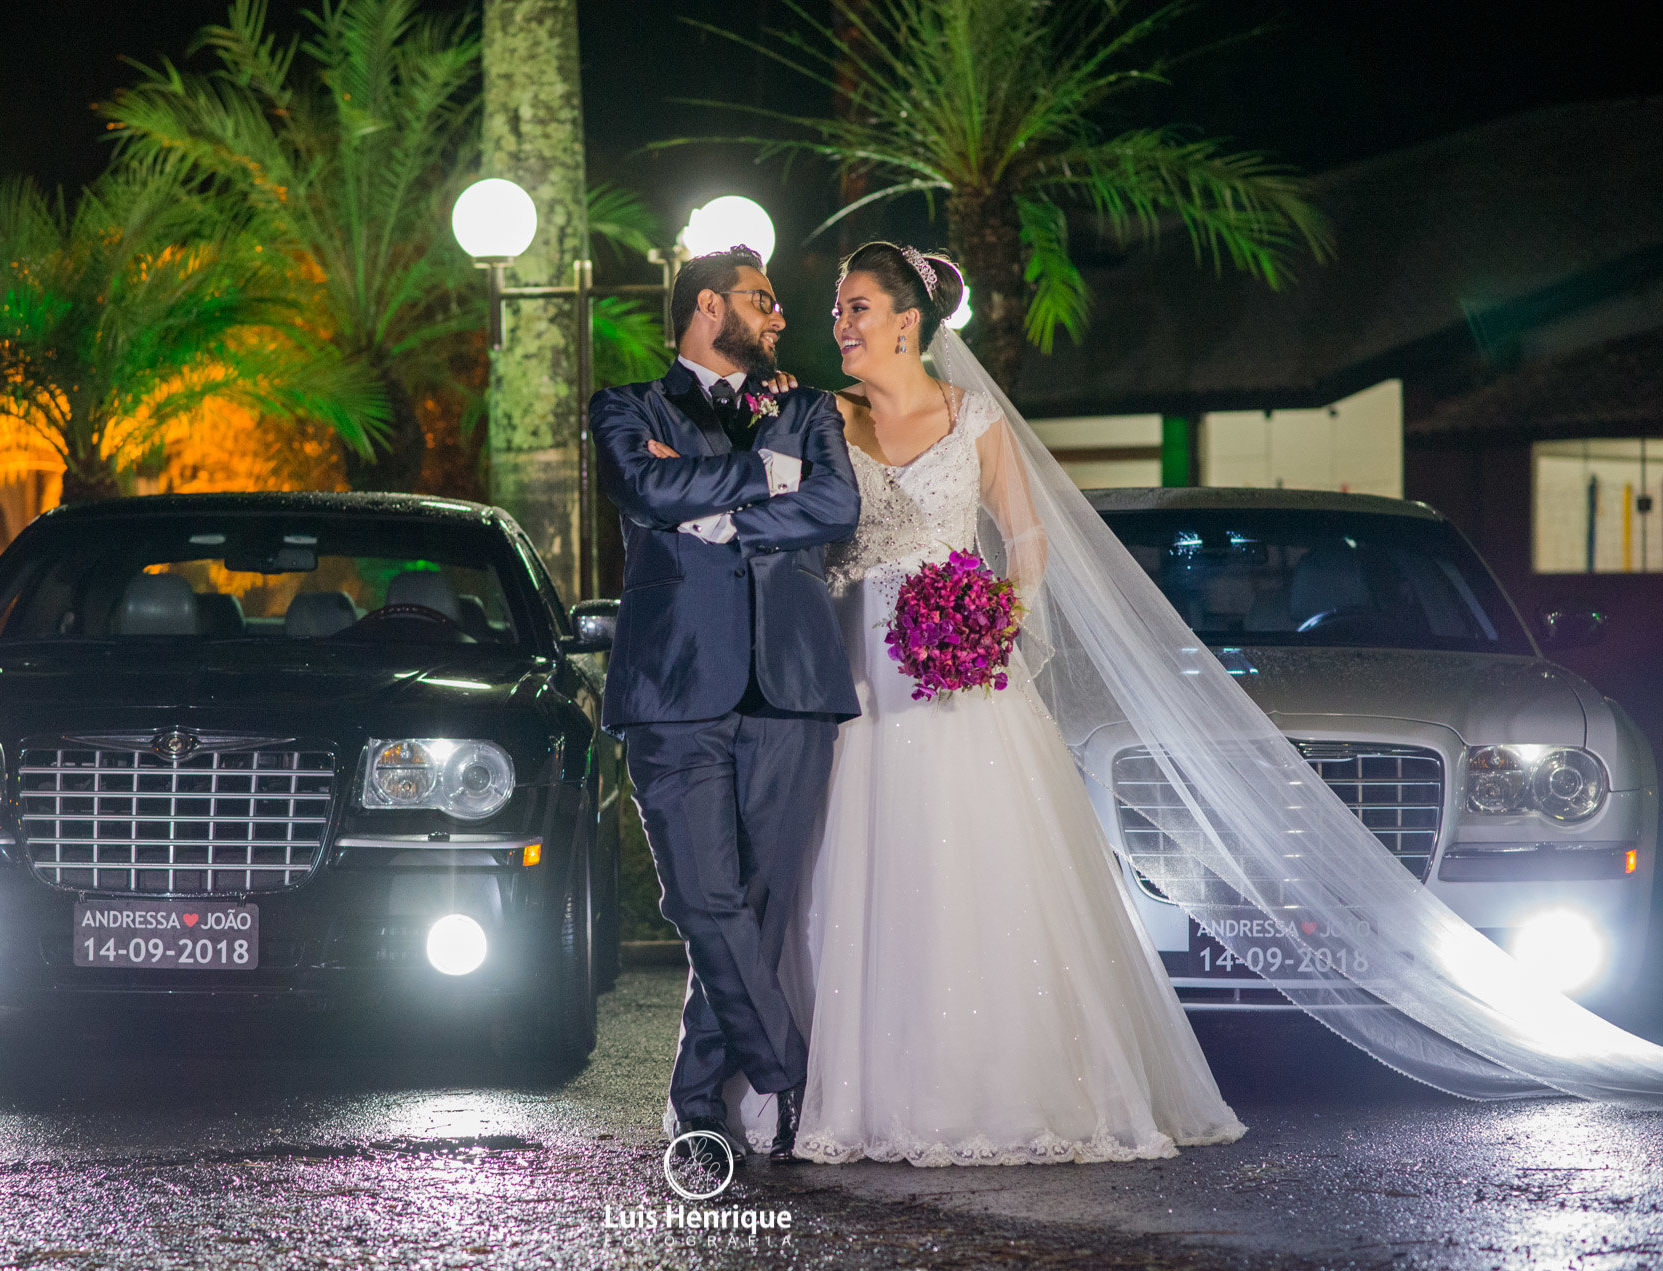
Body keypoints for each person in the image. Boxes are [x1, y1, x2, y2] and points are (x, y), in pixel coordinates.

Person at [733, 241, 1663, 1165]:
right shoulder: (824, 419)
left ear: (908, 320)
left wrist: (995, 622)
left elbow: (1026, 537)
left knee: (969, 878)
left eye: (856, 307)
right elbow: (784, 521)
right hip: (859, 668)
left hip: (964, 674)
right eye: (836, 313)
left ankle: (978, 1087)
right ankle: (837, 1089)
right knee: (854, 868)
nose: (840, 325)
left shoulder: (976, 419)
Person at [589, 246, 862, 1174]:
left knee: (761, 903)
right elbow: (647, 487)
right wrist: (767, 479)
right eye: (762, 298)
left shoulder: (809, 407)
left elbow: (836, 504)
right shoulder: (627, 408)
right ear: (709, 306)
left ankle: (698, 1098)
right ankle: (787, 1069)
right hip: (674, 690)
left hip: (793, 687)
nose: (779, 315)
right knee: (700, 897)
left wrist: (720, 507)